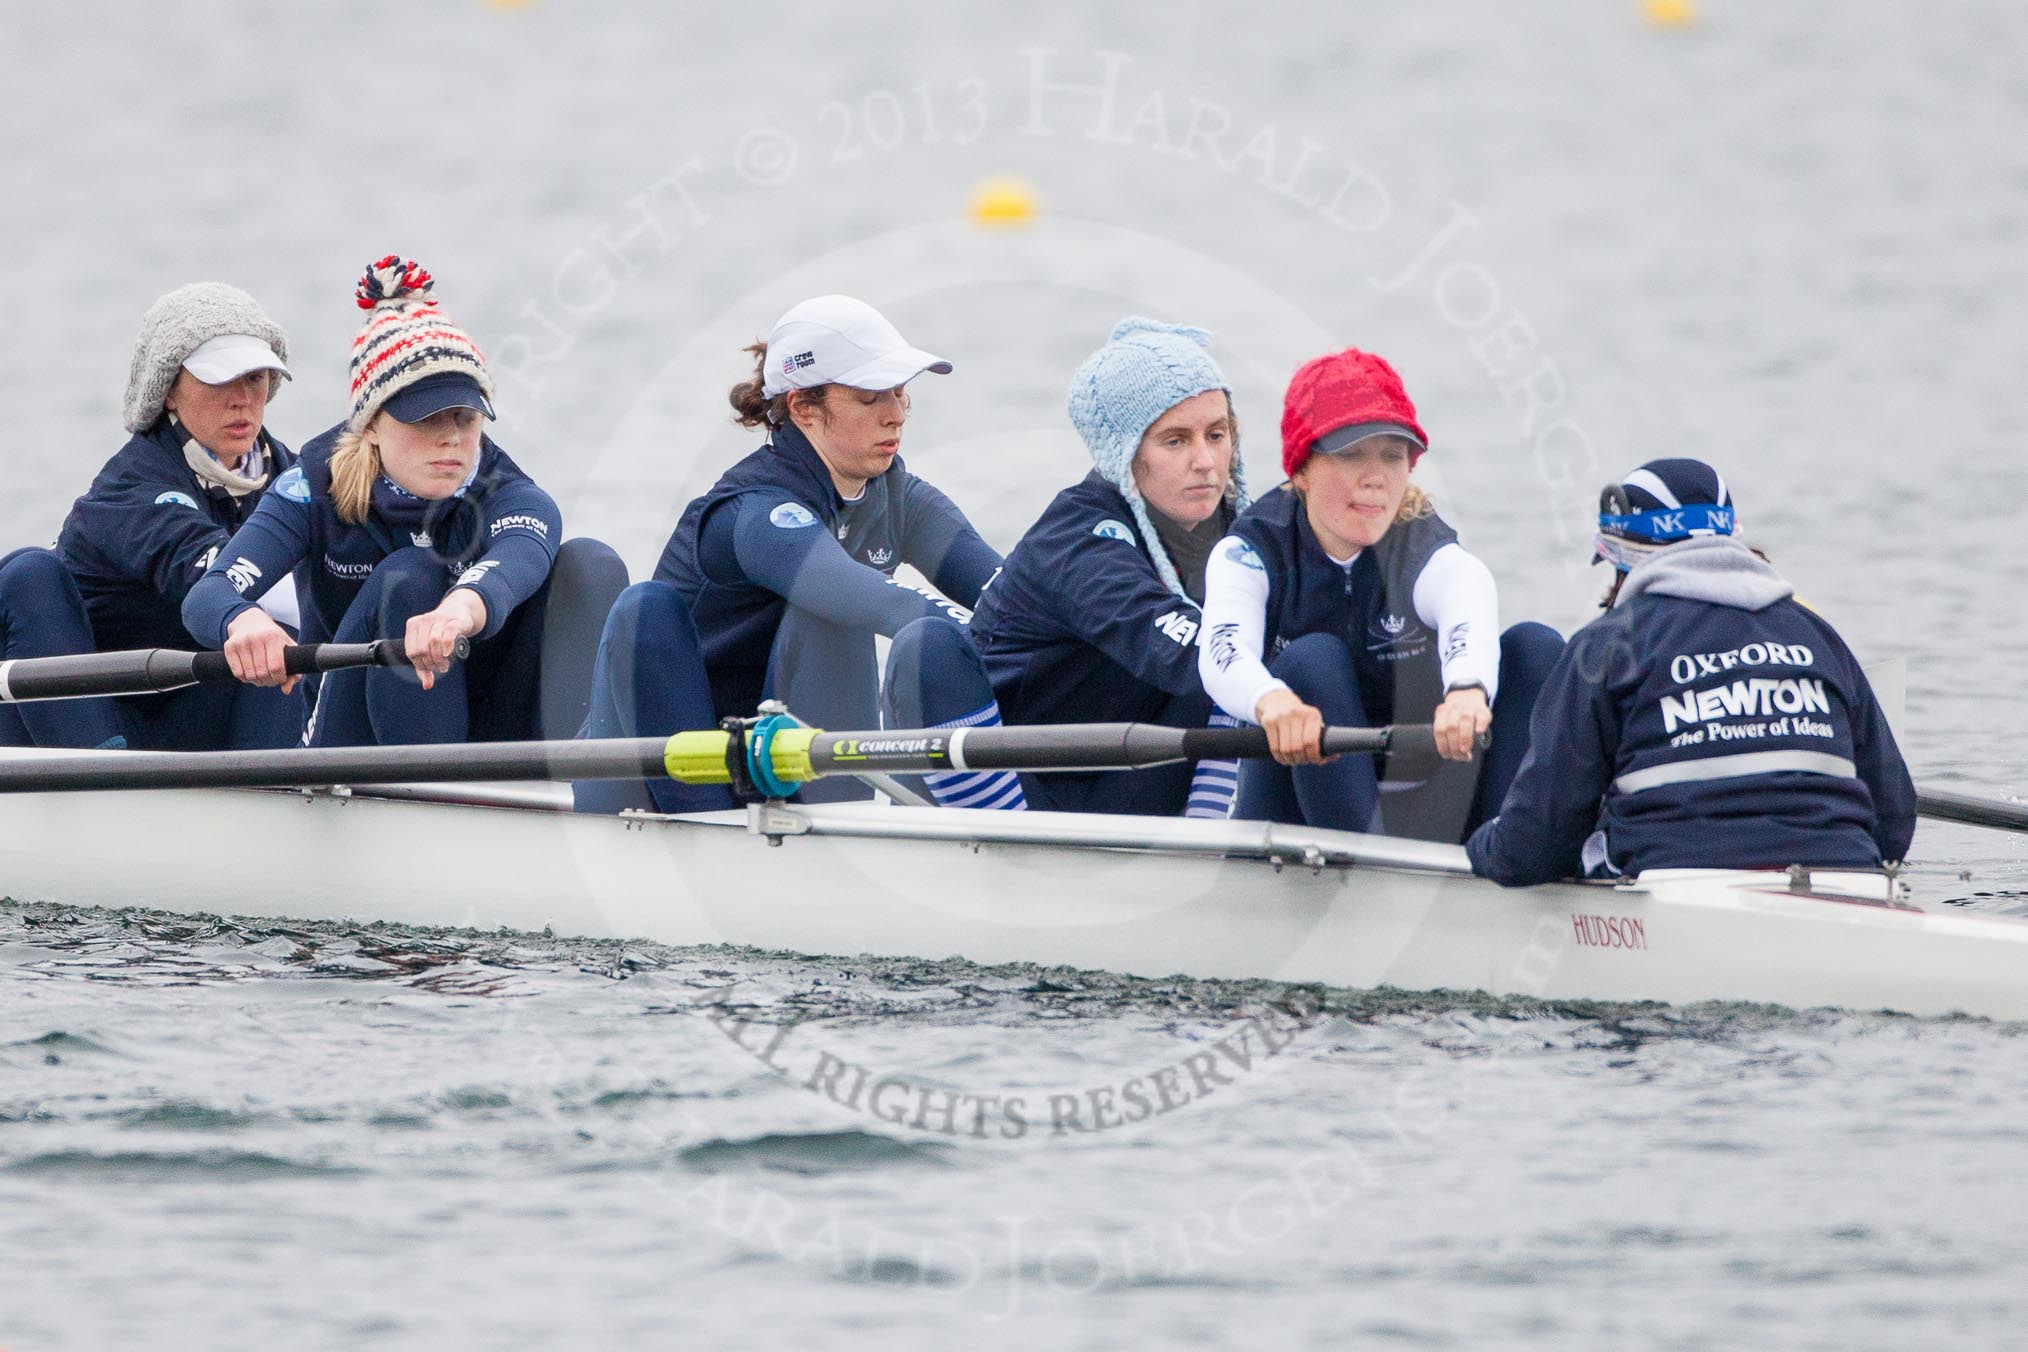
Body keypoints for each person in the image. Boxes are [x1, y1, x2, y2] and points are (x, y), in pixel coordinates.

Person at [576, 294, 1016, 814]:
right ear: (805, 408)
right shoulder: (758, 510)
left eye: (900, 393)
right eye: (871, 397)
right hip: (659, 777)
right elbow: (888, 606)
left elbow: (1009, 603)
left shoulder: (901, 498)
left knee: (948, 640)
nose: (896, 415)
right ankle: (757, 837)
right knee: (656, 606)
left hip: (773, 764)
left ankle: (867, 835)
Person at [183, 256, 626, 747]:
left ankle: (577, 776)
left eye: (465, 417)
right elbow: (207, 595)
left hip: (490, 725)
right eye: (426, 420)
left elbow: (516, 557)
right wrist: (242, 620)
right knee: (409, 576)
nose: (451, 440)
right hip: (352, 733)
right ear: (370, 424)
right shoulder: (312, 485)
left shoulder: (507, 490)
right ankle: (435, 794)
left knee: (592, 564)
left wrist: (460, 610)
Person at [1466, 458, 1915, 885]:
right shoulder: (1819, 636)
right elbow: (1894, 816)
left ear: (1625, 557)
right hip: (1846, 877)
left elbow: (1532, 847)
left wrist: (1480, 845)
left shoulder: (1604, 645)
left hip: (1674, 883)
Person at [1198, 347, 1564, 841]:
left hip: (1430, 800)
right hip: (1302, 809)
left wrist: (1467, 689)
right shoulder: (1254, 549)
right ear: (1301, 470)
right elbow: (1222, 652)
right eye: (1351, 454)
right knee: (1311, 661)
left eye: (1392, 455)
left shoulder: (1420, 543)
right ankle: (1364, 873)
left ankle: (1511, 851)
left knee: (1536, 648)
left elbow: (1467, 590)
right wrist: (1271, 701)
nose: (1376, 477)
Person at [951, 317, 1251, 817]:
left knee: (1262, 652)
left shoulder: (1230, 530)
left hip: (1122, 776)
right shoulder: (1078, 542)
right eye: (1175, 441)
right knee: (1226, 658)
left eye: (1216, 434)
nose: (1206, 462)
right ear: (1125, 456)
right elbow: (1180, 651)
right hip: (1022, 786)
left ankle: (1214, 852)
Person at [0, 281, 304, 751]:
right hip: (81, 723)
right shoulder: (130, 486)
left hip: (191, 715)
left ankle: (280, 800)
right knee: (28, 572)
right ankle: (104, 783)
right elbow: (204, 567)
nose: (242, 398)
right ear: (168, 393)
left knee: (273, 638)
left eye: (255, 377)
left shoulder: (295, 477)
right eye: (219, 379)